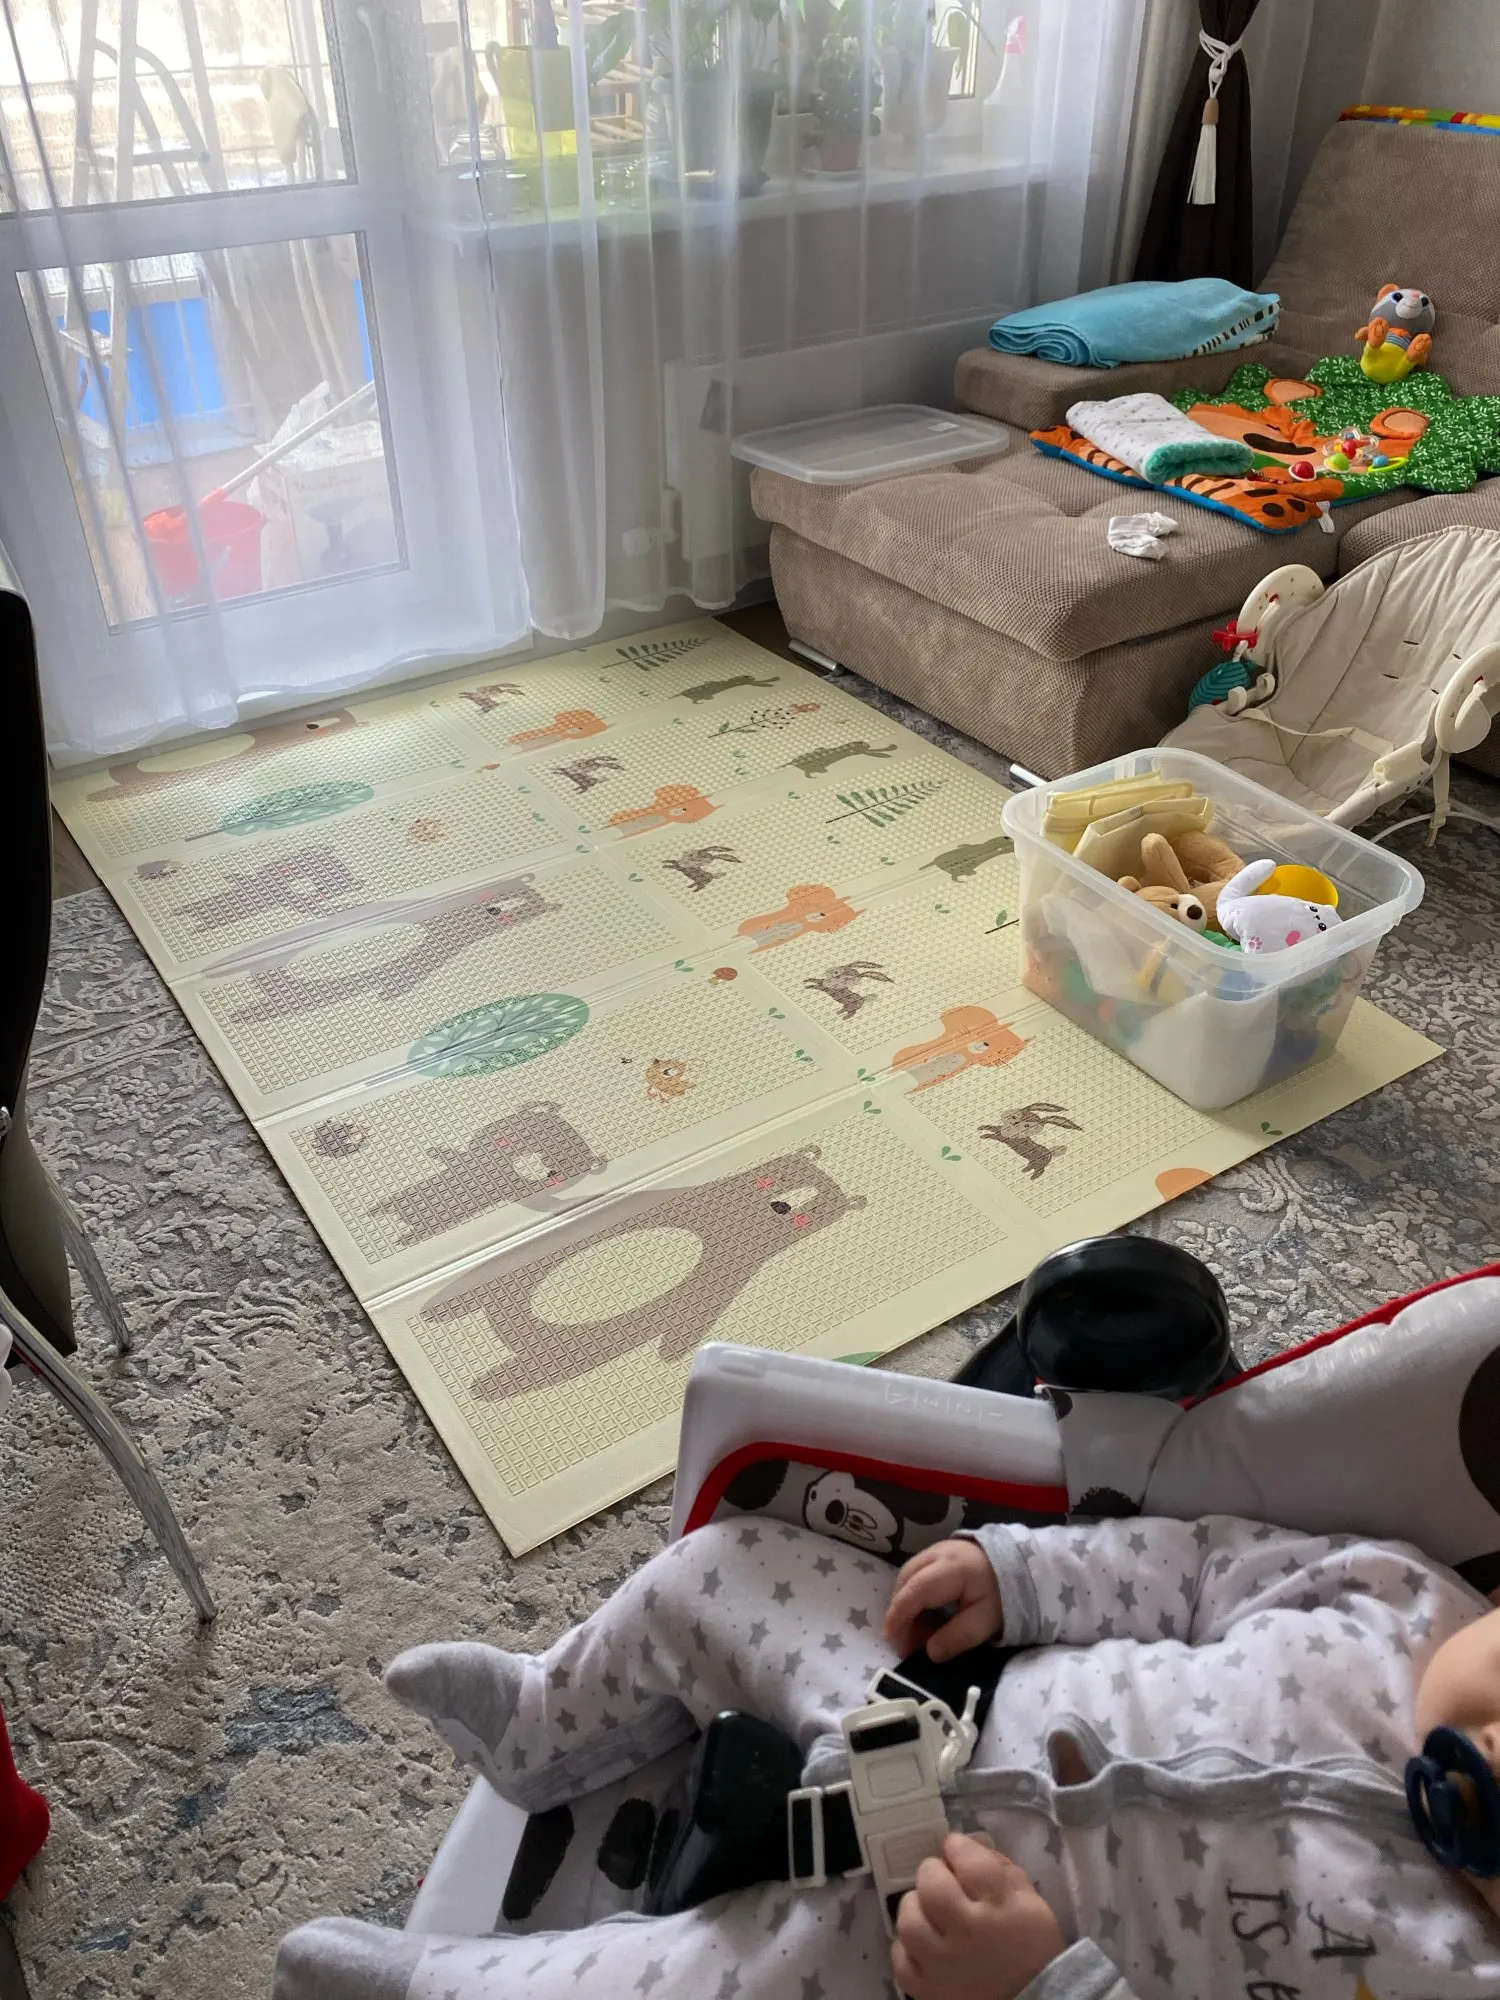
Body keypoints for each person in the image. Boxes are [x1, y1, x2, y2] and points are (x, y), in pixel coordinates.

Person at [275, 1513, 1500, 1999]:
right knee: (725, 1568)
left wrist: (1042, 1983)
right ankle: (550, 1716)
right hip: (927, 1692)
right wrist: (1024, 1573)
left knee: (668, 1991)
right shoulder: (1394, 1597)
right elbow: (1186, 1569)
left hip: (916, 1950)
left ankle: (427, 1988)